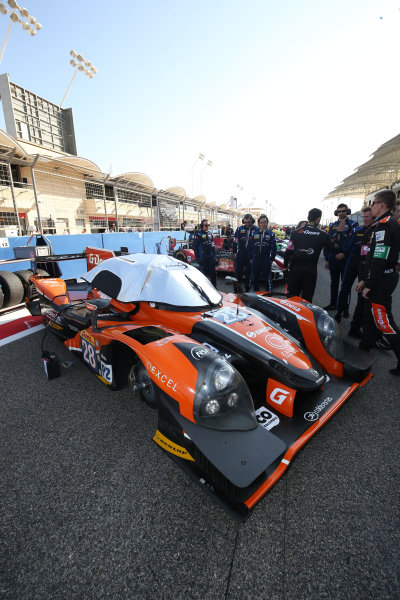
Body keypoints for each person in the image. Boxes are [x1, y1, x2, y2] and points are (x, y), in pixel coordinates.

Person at [355, 189, 400, 375]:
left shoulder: (384, 225)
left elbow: (379, 259)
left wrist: (369, 283)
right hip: (384, 277)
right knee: (371, 314)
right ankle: (366, 345)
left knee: (384, 321)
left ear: (382, 205)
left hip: (382, 280)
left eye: (373, 203)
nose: (371, 206)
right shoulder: (389, 223)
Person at [335, 206, 373, 323]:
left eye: (367, 217)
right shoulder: (357, 230)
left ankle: (358, 320)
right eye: (364, 217)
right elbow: (348, 245)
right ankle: (339, 312)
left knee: (362, 292)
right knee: (345, 288)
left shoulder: (376, 231)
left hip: (366, 266)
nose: (365, 219)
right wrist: (343, 252)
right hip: (352, 262)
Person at [284, 208, 330, 303]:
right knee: (307, 301)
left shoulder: (295, 233)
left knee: (291, 299)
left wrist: (285, 267)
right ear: (318, 219)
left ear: (308, 218)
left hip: (295, 271)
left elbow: (288, 252)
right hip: (310, 272)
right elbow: (333, 250)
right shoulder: (323, 234)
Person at [323, 203, 357, 310]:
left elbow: (353, 243)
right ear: (336, 213)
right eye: (339, 211)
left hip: (346, 259)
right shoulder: (332, 225)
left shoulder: (353, 224)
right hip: (334, 259)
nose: (341, 213)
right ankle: (333, 303)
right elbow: (329, 243)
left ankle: (345, 307)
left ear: (348, 212)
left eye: (343, 211)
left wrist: (342, 233)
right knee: (334, 283)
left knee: (345, 284)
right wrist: (327, 259)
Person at [232, 213, 258, 291]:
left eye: (249, 222)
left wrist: (254, 256)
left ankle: (247, 290)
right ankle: (236, 291)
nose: (247, 224)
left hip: (250, 256)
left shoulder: (256, 229)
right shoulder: (239, 229)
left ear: (252, 221)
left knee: (248, 274)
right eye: (245, 222)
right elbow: (235, 241)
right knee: (237, 274)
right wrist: (234, 252)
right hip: (240, 254)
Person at [251, 215, 276, 291]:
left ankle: (269, 296)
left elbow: (273, 248)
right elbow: (250, 247)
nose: (263, 224)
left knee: (267, 279)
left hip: (266, 259)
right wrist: (251, 258)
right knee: (255, 279)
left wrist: (271, 259)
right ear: (258, 224)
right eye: (261, 223)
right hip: (256, 259)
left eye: (265, 222)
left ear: (267, 223)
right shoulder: (254, 233)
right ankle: (256, 295)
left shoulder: (271, 234)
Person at [192, 218, 217, 287]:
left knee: (213, 273)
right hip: (203, 257)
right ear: (202, 226)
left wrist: (214, 256)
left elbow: (212, 245)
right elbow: (195, 247)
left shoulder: (210, 233)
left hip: (210, 256)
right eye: (206, 225)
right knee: (203, 275)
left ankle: (214, 288)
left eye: (208, 225)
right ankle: (204, 289)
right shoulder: (198, 234)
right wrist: (197, 257)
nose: (207, 227)